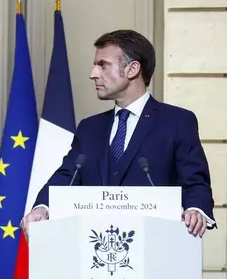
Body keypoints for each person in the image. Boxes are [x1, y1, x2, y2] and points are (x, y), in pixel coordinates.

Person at [21, 29, 215, 237]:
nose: (93, 74)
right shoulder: (89, 128)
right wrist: (42, 207)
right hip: (95, 248)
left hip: (156, 248)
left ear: (132, 69)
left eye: (103, 65)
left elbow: (195, 181)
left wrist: (195, 210)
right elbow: (67, 176)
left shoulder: (177, 121)